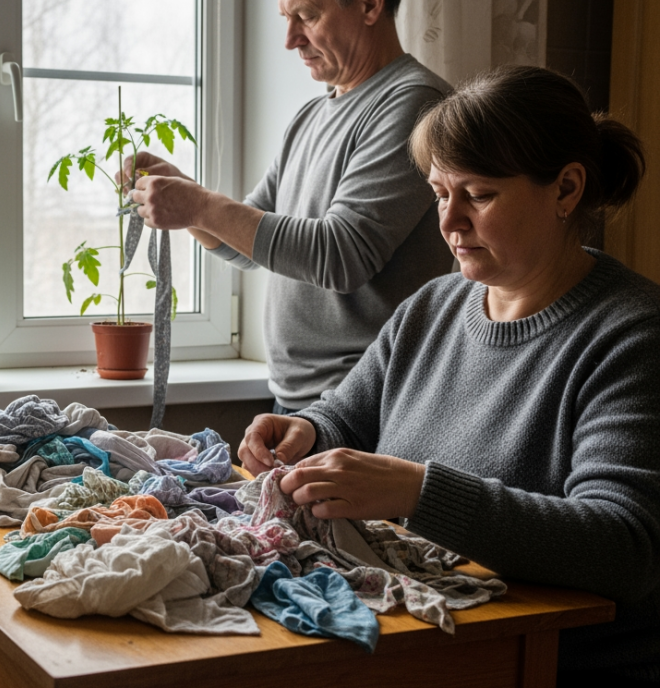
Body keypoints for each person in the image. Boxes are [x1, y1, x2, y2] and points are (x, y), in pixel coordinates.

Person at [237, 65, 656, 685]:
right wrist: (305, 430)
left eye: (479, 195)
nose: (449, 222)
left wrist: (417, 491)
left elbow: (623, 546)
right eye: (439, 192)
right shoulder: (433, 306)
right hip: (430, 643)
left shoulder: (632, 335)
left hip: (549, 666)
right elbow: (346, 415)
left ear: (566, 189)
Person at [126, 0, 454, 413]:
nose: (290, 39)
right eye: (285, 17)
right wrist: (183, 195)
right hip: (296, 402)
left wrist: (199, 205)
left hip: (363, 407)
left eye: (306, 16)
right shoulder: (310, 116)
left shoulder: (415, 104)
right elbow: (244, 245)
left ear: (370, 4)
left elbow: (342, 255)